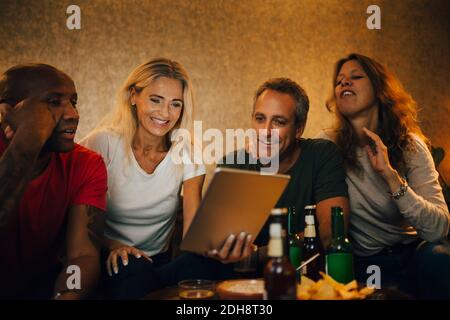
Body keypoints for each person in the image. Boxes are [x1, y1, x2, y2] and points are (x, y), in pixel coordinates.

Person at [80, 58, 253, 299]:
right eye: (155, 100)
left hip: (157, 263)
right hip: (110, 257)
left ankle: (154, 286)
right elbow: (79, 225)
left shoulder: (188, 152)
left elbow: (193, 236)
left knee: (216, 266)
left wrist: (222, 248)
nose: (165, 113)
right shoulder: (102, 144)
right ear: (133, 96)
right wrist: (114, 246)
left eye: (175, 104)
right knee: (131, 269)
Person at [319, 53, 450, 299]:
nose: (344, 83)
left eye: (356, 77)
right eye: (339, 81)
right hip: (364, 262)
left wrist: (390, 176)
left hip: (414, 256)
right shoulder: (327, 146)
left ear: (380, 90)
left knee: (439, 257)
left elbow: (438, 229)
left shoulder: (410, 146)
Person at [0, 64, 107, 299]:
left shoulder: (86, 163)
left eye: (73, 102)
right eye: (54, 102)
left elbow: (81, 255)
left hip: (42, 287)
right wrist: (27, 144)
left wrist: (65, 297)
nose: (73, 114)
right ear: (7, 110)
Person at [219, 77, 350, 252]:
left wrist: (257, 254)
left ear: (299, 129)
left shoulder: (321, 155)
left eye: (279, 122)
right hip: (241, 276)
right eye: (260, 118)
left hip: (301, 274)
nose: (266, 132)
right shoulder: (232, 165)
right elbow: (219, 243)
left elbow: (332, 234)